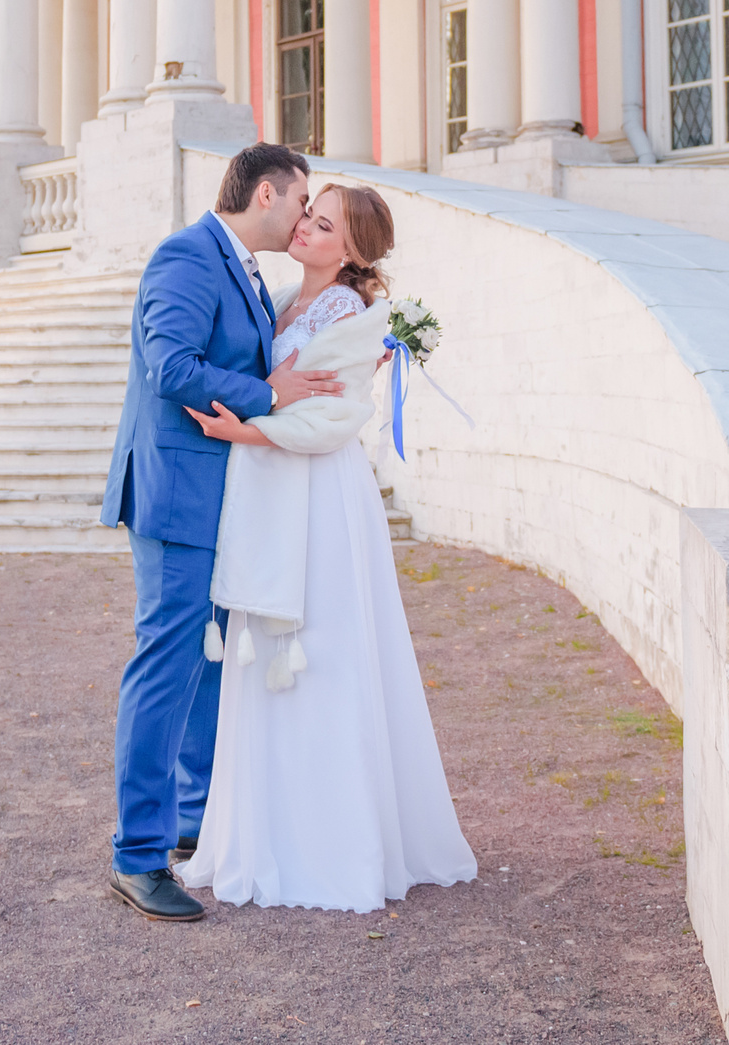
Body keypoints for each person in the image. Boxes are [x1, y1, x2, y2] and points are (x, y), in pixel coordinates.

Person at [177, 183, 477, 912]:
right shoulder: (281, 301)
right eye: (308, 214)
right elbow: (273, 384)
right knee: (268, 654)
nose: (306, 226)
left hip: (319, 499)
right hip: (273, 495)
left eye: (324, 222)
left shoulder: (347, 313)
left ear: (351, 250)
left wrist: (241, 429)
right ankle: (271, 832)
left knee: (324, 650)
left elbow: (338, 416)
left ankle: (332, 844)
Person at [101, 143, 342, 922]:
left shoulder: (246, 269)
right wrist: (265, 391)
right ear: (266, 193)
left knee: (206, 664)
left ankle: (191, 820)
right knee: (168, 661)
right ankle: (137, 857)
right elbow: (168, 364)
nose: (305, 217)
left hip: (217, 498)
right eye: (300, 202)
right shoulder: (187, 254)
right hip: (176, 496)